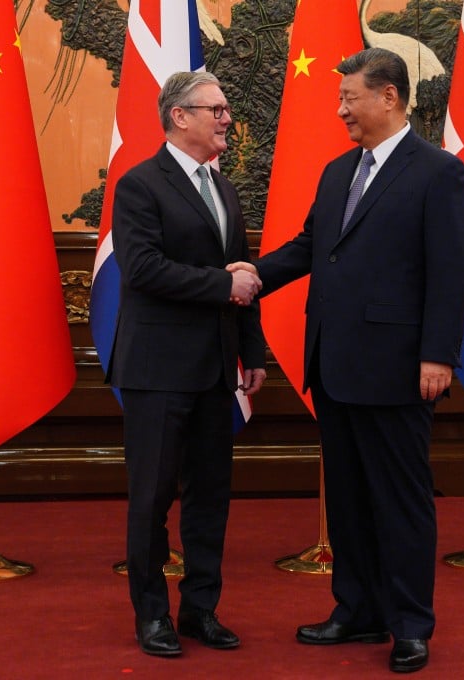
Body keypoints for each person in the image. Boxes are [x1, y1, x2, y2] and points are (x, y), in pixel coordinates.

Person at [228, 48, 464, 673]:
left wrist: (437, 355)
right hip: (334, 363)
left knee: (400, 500)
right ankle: (356, 610)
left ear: (388, 97)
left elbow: (451, 271)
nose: (340, 110)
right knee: (347, 499)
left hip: (399, 368)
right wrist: (255, 273)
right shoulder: (339, 170)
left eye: (350, 99)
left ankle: (410, 624)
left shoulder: (438, 171)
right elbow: (314, 246)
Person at [108, 71, 267, 658]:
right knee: (151, 497)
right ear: (179, 116)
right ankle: (152, 615)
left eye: (226, 108)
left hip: (216, 369)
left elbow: (242, 273)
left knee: (211, 496)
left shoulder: (223, 189)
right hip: (156, 369)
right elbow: (144, 269)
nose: (227, 118)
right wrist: (221, 286)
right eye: (217, 109)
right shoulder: (140, 185)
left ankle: (201, 608)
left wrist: (252, 350)